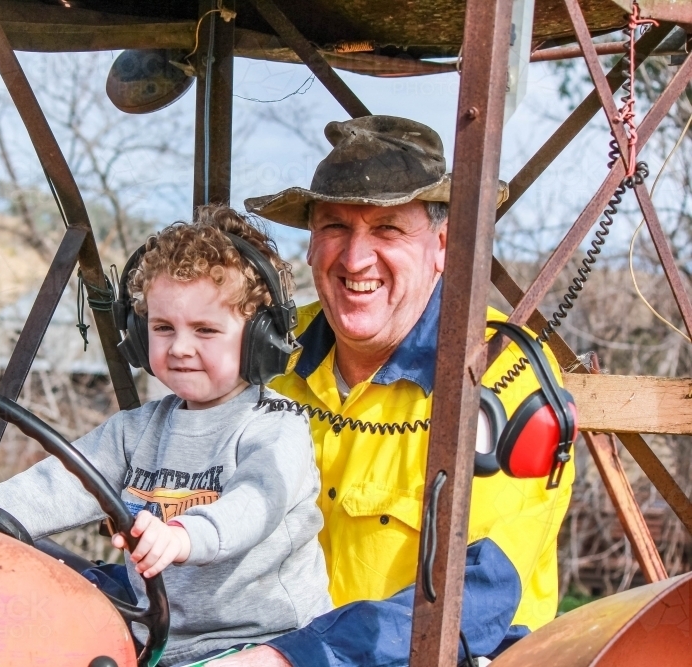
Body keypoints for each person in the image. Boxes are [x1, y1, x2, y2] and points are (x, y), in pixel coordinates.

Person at [210, 116, 575, 666]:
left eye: (387, 229)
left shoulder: (501, 373)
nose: (356, 259)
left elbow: (488, 590)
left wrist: (293, 658)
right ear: (311, 244)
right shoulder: (264, 349)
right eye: (334, 226)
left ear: (443, 246)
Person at [0, 206, 332, 667]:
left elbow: (254, 503)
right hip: (156, 635)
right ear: (137, 332)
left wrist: (184, 536)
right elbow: (58, 484)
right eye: (163, 328)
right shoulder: (136, 430)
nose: (181, 347)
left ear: (259, 338)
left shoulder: (276, 426)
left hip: (265, 643)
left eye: (206, 330)